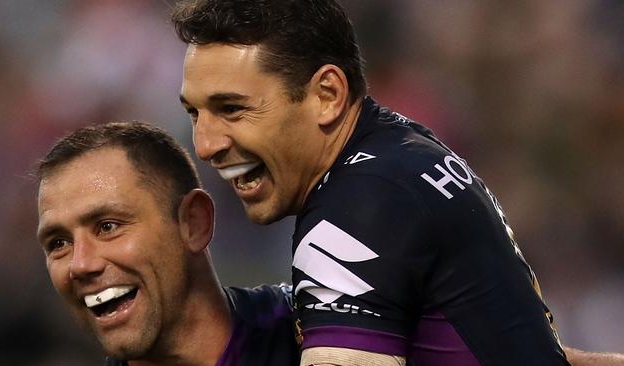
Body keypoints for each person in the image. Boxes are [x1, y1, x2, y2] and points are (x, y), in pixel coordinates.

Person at [173, 1, 623, 365]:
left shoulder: (358, 207)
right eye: (195, 113)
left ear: (326, 95)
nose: (206, 144)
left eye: (232, 109)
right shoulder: (405, 152)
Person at [35, 121, 299, 366]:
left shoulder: (318, 327)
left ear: (194, 223)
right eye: (58, 243)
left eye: (107, 227)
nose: (80, 264)